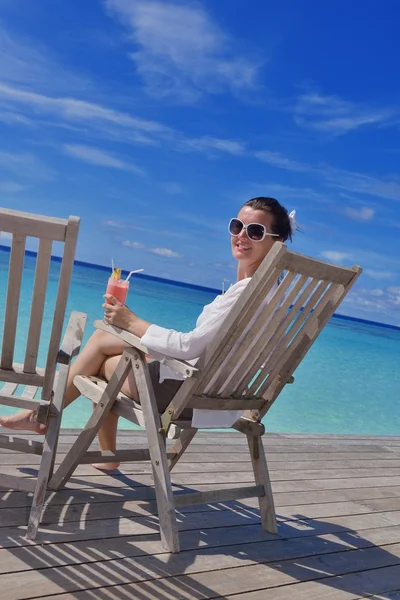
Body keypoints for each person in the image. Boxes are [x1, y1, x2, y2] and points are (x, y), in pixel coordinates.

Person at [0, 197, 294, 470]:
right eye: (237, 226)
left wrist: (131, 321)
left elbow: (188, 346)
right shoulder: (274, 296)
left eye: (255, 231)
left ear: (276, 242)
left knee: (101, 362)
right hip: (224, 397)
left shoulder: (246, 293)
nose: (241, 235)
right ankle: (94, 448)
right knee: (105, 345)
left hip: (187, 394)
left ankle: (46, 418)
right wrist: (152, 344)